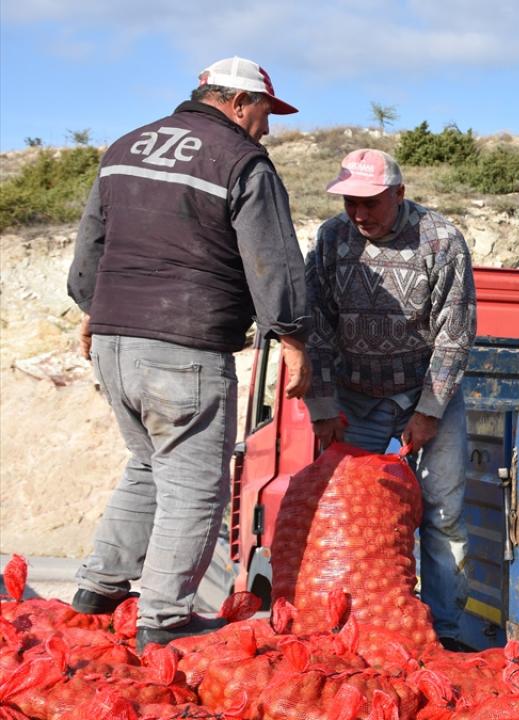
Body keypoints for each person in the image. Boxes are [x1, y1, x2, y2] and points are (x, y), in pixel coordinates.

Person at [67, 56, 311, 652]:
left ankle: (97, 590)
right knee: (195, 487)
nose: (267, 127)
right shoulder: (241, 161)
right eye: (265, 112)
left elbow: (88, 253)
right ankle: (165, 618)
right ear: (237, 102)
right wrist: (292, 336)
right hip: (184, 347)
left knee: (148, 465)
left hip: (113, 343)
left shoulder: (125, 148)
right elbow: (273, 260)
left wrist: (96, 309)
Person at [303, 148, 476, 652]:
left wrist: (428, 412)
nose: (359, 214)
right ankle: (349, 628)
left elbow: (455, 334)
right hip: (355, 400)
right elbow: (316, 327)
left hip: (426, 392)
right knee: (347, 513)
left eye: (370, 202)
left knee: (442, 515)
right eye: (350, 202)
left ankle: (444, 633)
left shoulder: (440, 240)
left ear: (399, 194)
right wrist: (322, 406)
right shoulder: (332, 238)